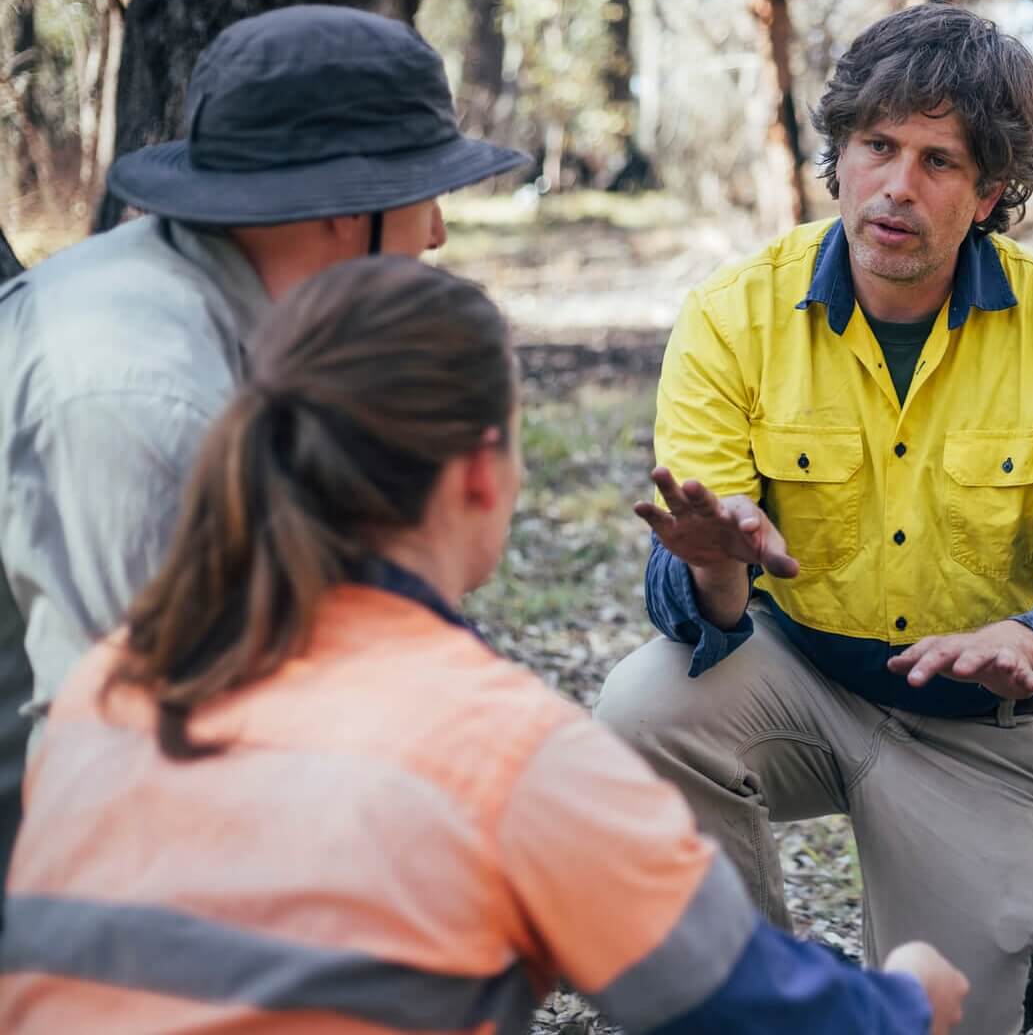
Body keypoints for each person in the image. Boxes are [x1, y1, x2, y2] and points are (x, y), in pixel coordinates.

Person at [0, 257, 969, 1034]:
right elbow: (755, 1012)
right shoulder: (503, 752)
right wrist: (914, 996)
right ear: (478, 472)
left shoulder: (114, 682)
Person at [593, 4, 1033, 1035]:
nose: (898, 187)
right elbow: (697, 604)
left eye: (940, 160)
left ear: (992, 192)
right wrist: (721, 565)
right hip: (794, 677)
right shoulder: (734, 313)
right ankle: (754, 1002)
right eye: (877, 147)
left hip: (975, 732)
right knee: (638, 713)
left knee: (957, 1016)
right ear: (840, 157)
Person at [0, 4, 531, 898]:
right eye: (422, 194)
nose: (437, 232)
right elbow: (129, 743)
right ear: (337, 209)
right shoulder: (139, 395)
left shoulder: (247, 316)